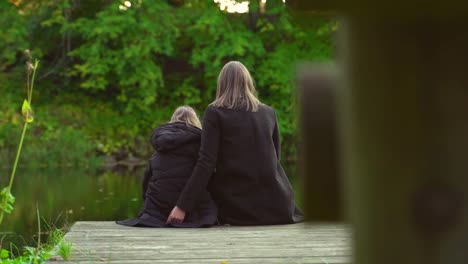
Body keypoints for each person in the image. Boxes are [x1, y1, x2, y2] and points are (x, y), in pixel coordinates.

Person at [167, 61, 304, 225]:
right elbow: (276, 158)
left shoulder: (215, 112)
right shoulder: (269, 112)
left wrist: (182, 206)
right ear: (247, 82)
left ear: (222, 83)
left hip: (237, 206)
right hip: (278, 205)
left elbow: (206, 163)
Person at [117, 106, 217, 227]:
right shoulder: (201, 144)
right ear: (195, 121)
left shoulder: (161, 145)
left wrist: (148, 208)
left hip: (158, 209)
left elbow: (146, 179)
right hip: (190, 209)